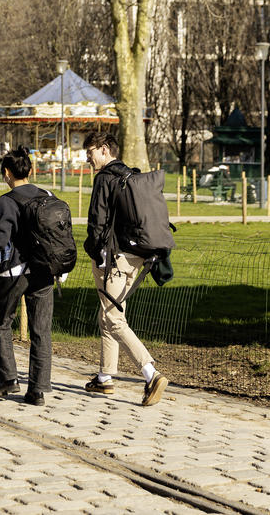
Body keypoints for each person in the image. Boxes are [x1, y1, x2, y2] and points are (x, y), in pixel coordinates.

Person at [81, 132, 169, 406]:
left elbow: (97, 222)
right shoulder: (131, 175)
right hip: (139, 257)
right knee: (108, 316)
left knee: (114, 319)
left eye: (90, 152)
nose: (88, 158)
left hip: (115, 260)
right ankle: (105, 378)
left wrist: (94, 254)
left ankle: (150, 373)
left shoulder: (105, 178)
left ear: (105, 150)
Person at [0, 147, 55, 406]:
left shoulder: (6, 201)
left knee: (0, 322)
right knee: (41, 331)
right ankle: (37, 390)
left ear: (6, 173)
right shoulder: (48, 195)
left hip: (16, 271)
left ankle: (8, 378)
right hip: (45, 271)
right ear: (31, 171)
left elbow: (0, 239)